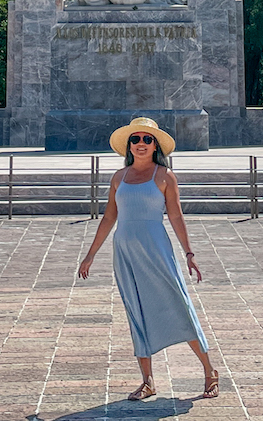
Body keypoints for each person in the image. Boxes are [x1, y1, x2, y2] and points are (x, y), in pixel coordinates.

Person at [77, 117, 219, 400]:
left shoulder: (165, 176)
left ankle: (209, 371)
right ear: (129, 146)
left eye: (147, 139)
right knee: (137, 311)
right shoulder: (119, 177)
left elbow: (175, 216)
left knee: (179, 306)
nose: (140, 144)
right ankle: (148, 381)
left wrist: (189, 253)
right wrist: (90, 255)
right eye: (135, 139)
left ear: (155, 146)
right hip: (125, 251)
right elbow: (109, 217)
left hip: (156, 249)